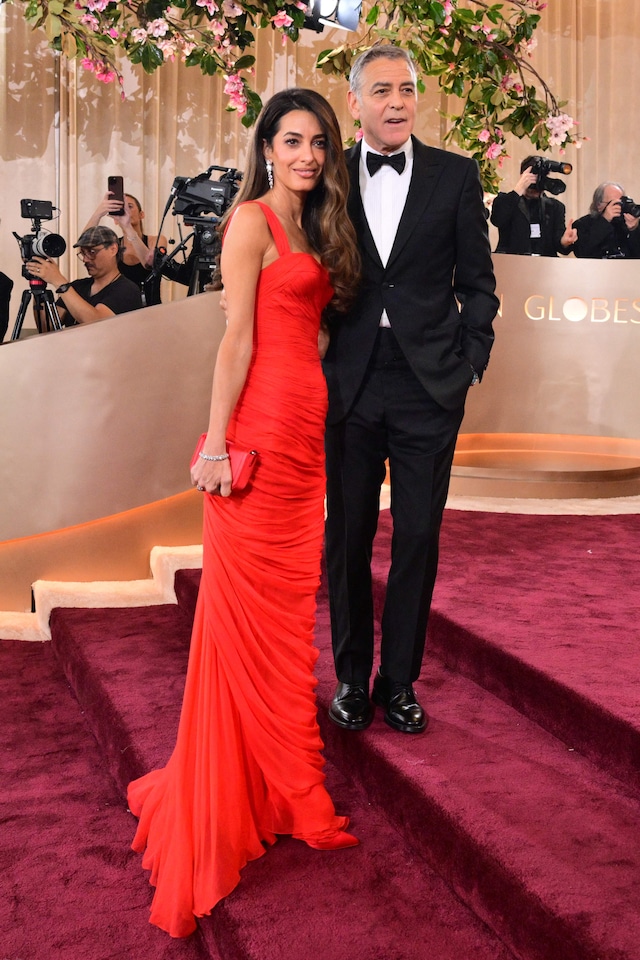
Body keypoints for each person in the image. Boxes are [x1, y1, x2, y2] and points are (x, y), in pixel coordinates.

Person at [126, 88, 361, 939]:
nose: (305, 154)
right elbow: (236, 338)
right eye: (291, 141)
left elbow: (307, 327)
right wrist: (217, 444)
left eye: (318, 143)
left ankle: (278, 779)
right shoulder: (253, 222)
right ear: (265, 147)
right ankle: (272, 789)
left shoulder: (317, 224)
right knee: (245, 623)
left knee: (287, 616)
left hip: (304, 436)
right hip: (258, 430)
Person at [323, 45, 499, 736]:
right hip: (351, 380)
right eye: (382, 90)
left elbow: (478, 284)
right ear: (355, 101)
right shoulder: (329, 177)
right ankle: (348, 677)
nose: (397, 102)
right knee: (348, 536)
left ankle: (398, 681)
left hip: (430, 383)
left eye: (407, 89)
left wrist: (471, 362)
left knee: (418, 535)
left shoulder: (456, 175)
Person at [28, 225, 142, 326]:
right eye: (83, 253)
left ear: (113, 249)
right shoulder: (77, 287)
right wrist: (38, 284)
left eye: (92, 252)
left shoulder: (127, 289)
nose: (85, 259)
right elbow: (47, 327)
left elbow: (97, 323)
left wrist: (60, 282)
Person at [83, 191, 167, 303]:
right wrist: (99, 212)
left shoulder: (156, 240)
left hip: (151, 310)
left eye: (130, 206)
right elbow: (85, 246)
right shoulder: (113, 246)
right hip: (121, 309)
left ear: (141, 214)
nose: (126, 210)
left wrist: (128, 227)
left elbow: (149, 263)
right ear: (115, 221)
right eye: (122, 207)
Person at [490, 156, 577, 256]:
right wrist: (519, 189)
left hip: (544, 265)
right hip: (513, 263)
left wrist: (564, 241)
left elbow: (558, 244)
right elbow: (497, 220)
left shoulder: (555, 207)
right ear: (522, 176)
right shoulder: (506, 200)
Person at [572, 182, 640, 259]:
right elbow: (581, 252)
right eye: (613, 203)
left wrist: (633, 230)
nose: (618, 207)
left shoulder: (632, 223)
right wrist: (604, 221)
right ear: (599, 205)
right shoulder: (583, 224)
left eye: (621, 202)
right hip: (595, 269)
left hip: (629, 269)